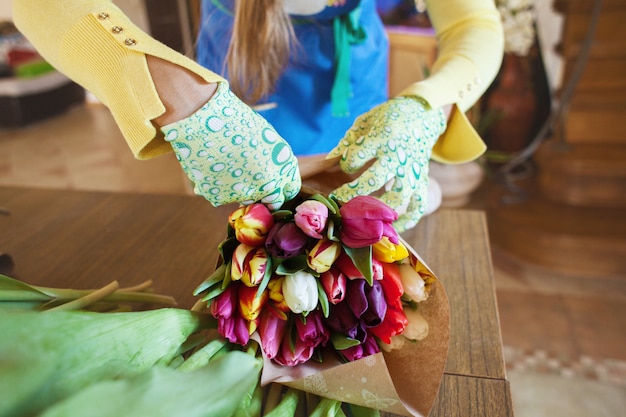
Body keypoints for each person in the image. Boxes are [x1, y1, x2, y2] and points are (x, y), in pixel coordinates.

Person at [12, 0, 503, 231]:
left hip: (353, 80)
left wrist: (428, 103)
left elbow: (473, 22)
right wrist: (182, 100)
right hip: (235, 81)